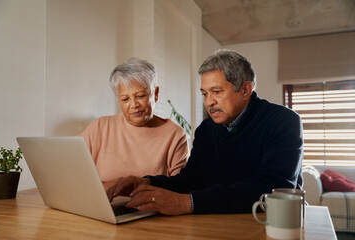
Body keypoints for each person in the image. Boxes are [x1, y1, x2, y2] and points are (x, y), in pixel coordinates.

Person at [107, 49, 303, 215]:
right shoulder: (206, 130)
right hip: (218, 224)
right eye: (204, 93)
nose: (209, 102)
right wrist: (146, 182)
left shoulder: (283, 122)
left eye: (217, 92)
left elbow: (272, 189)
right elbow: (191, 181)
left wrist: (186, 203)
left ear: (245, 90)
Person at [80, 58, 189, 190]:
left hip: (149, 209)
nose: (134, 105)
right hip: (103, 208)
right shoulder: (99, 128)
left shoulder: (175, 135)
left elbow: (180, 188)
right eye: (125, 99)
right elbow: (73, 170)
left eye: (140, 96)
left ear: (155, 93)